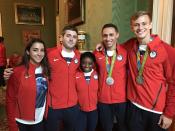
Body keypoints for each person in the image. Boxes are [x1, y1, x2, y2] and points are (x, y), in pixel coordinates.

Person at [4, 25, 80, 131]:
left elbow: (94, 67)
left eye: (74, 36)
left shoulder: (79, 56)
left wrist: (102, 47)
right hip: (52, 107)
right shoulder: (49, 53)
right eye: (68, 35)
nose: (71, 39)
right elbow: (31, 59)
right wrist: (12, 71)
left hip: (72, 106)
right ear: (61, 38)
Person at [124, 11, 175, 131]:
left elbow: (174, 83)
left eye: (144, 23)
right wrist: (102, 44)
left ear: (150, 25)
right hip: (133, 107)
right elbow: (113, 47)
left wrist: (169, 113)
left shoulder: (168, 51)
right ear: (132, 27)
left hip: (155, 111)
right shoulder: (130, 45)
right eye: (136, 24)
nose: (140, 28)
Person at [6, 38, 51, 131]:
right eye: (35, 50)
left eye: (42, 50)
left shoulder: (47, 70)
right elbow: (10, 100)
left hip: (39, 120)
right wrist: (12, 125)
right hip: (21, 121)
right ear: (27, 52)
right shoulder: (17, 72)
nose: (39, 53)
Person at [93, 23, 128, 131]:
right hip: (103, 100)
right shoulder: (96, 54)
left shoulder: (125, 52)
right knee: (106, 128)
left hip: (121, 99)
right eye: (105, 35)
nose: (108, 38)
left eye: (111, 35)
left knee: (122, 128)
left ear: (117, 35)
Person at [75, 52, 98, 131]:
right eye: (84, 63)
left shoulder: (97, 74)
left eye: (90, 63)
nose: (87, 65)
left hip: (94, 111)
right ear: (80, 63)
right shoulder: (76, 75)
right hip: (80, 111)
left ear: (94, 63)